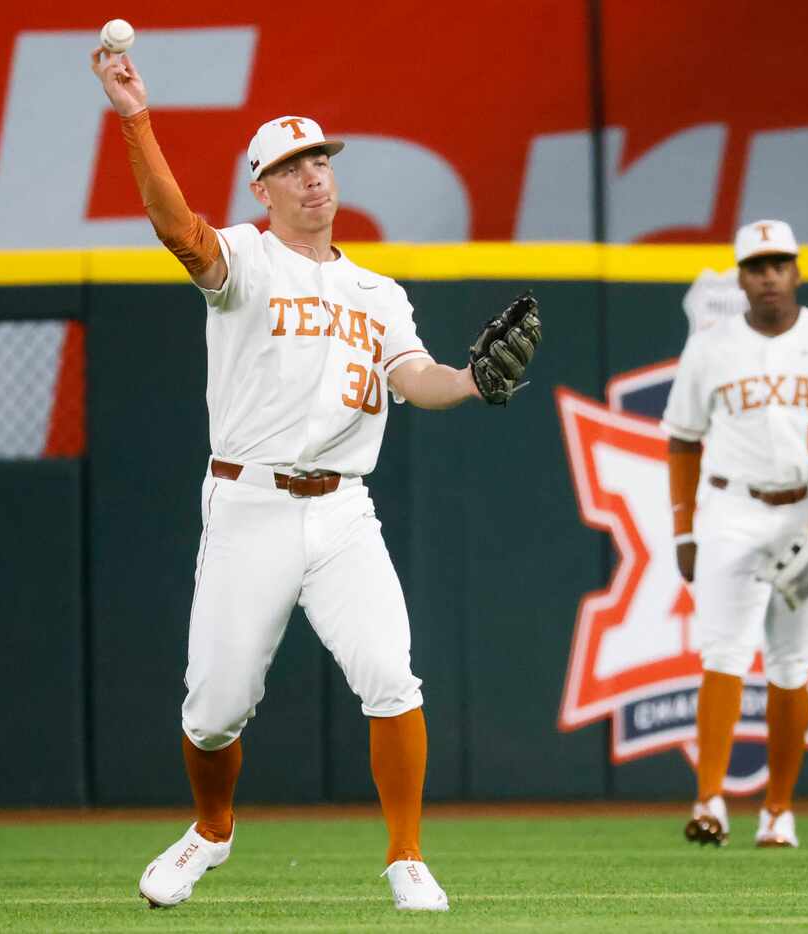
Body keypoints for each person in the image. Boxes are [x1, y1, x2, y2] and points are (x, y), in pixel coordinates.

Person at [88, 46, 537, 912]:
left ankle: (406, 856)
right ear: (263, 188)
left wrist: (475, 383)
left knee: (390, 675)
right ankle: (210, 831)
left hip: (343, 510)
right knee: (215, 709)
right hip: (249, 501)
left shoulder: (377, 290)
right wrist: (135, 118)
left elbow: (417, 379)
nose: (313, 177)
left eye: (320, 160)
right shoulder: (247, 262)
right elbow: (179, 230)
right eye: (291, 166)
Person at [663, 220, 808, 848]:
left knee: (791, 664)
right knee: (722, 653)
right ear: (741, 277)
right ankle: (709, 803)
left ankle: (778, 812)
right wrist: (683, 531)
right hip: (732, 508)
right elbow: (681, 439)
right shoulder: (711, 346)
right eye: (757, 266)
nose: (769, 276)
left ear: (797, 271)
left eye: (779, 264)